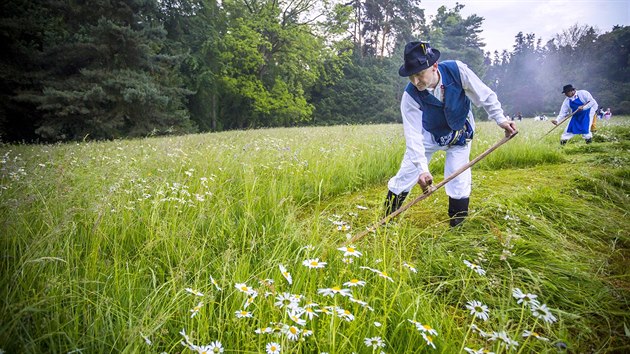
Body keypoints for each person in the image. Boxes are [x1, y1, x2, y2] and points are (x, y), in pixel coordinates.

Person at [384, 41, 517, 227]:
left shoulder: (457, 71)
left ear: (434, 67)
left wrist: (500, 119)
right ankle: (386, 220)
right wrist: (422, 169)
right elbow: (413, 135)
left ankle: (457, 226)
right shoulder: (410, 96)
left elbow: (485, 95)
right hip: (430, 135)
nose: (415, 81)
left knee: (458, 176)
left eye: (419, 74)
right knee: (406, 174)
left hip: (461, 132)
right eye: (411, 77)